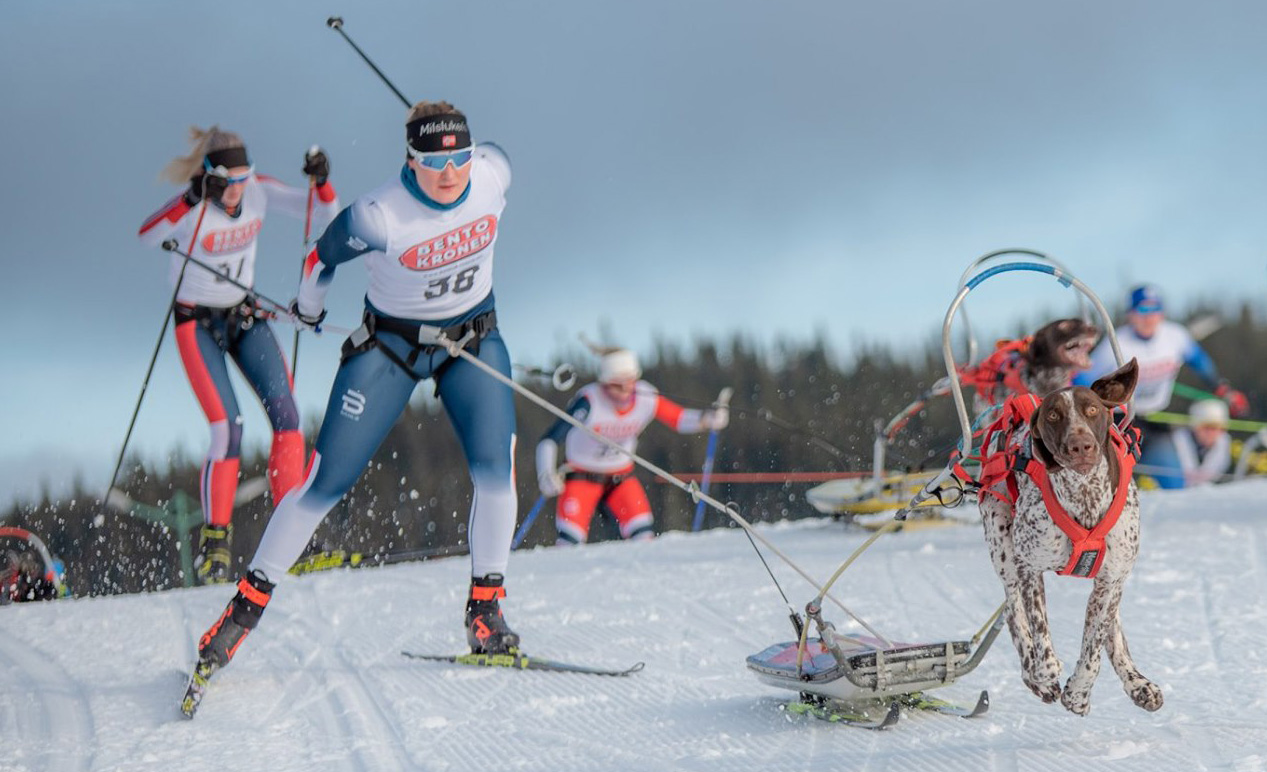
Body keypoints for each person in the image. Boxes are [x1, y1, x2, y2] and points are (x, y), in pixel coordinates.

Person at [192, 101, 521, 684]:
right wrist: (309, 310)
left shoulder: (493, 173)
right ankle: (241, 613)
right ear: (409, 159)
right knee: (325, 483)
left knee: (497, 469)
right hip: (389, 351)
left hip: (472, 340)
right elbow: (320, 256)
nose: (450, 174)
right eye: (431, 161)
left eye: (459, 159)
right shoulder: (376, 215)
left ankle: (486, 613)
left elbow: (486, 155)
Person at [139, 127, 340, 584]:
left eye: (243, 178)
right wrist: (191, 198)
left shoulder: (258, 193)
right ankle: (216, 544)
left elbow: (323, 212)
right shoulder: (194, 207)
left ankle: (296, 539)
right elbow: (146, 236)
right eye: (228, 180)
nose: (237, 190)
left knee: (288, 417)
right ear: (209, 177)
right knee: (227, 427)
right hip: (197, 324)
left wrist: (321, 179)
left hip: (245, 316)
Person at [535, 348, 729, 544]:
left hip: (621, 479)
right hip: (581, 477)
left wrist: (707, 419)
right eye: (617, 386)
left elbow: (678, 419)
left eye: (630, 382)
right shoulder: (588, 401)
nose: (625, 391)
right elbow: (550, 439)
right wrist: (545, 473)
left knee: (644, 535)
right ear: (604, 384)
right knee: (569, 541)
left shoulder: (647, 397)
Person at [1074, 284, 1249, 489]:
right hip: (1121, 423)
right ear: (1131, 315)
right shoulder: (1116, 342)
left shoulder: (1175, 336)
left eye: (1154, 310)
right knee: (1112, 483)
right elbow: (1082, 380)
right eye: (1142, 311)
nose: (1149, 318)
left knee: (1174, 483)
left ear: (1162, 313)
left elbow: (1198, 360)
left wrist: (1222, 388)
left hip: (1156, 421)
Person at [1170, 399, 1232, 488]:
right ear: (1195, 427)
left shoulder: (1224, 444)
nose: (1211, 433)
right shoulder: (1175, 442)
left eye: (1216, 428)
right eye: (1206, 427)